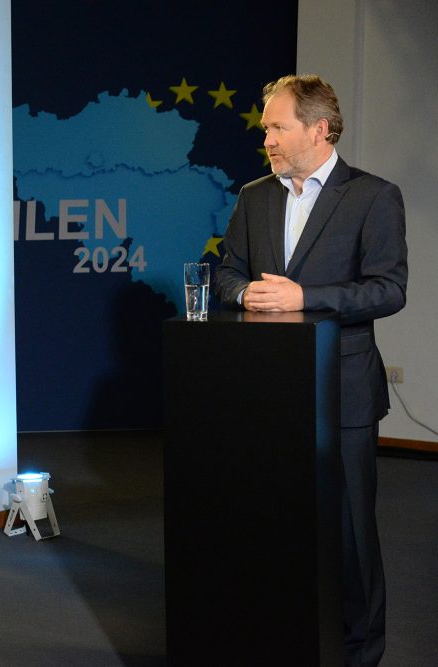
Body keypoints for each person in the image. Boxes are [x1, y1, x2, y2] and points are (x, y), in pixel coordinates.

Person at [215, 74, 408, 666]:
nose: (267, 139)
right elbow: (225, 272)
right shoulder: (255, 196)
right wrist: (246, 293)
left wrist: (306, 297)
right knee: (273, 526)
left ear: (319, 129)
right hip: (268, 394)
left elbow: (388, 289)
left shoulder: (373, 196)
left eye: (277, 127)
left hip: (343, 392)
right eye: (265, 128)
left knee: (349, 534)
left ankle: (358, 651)